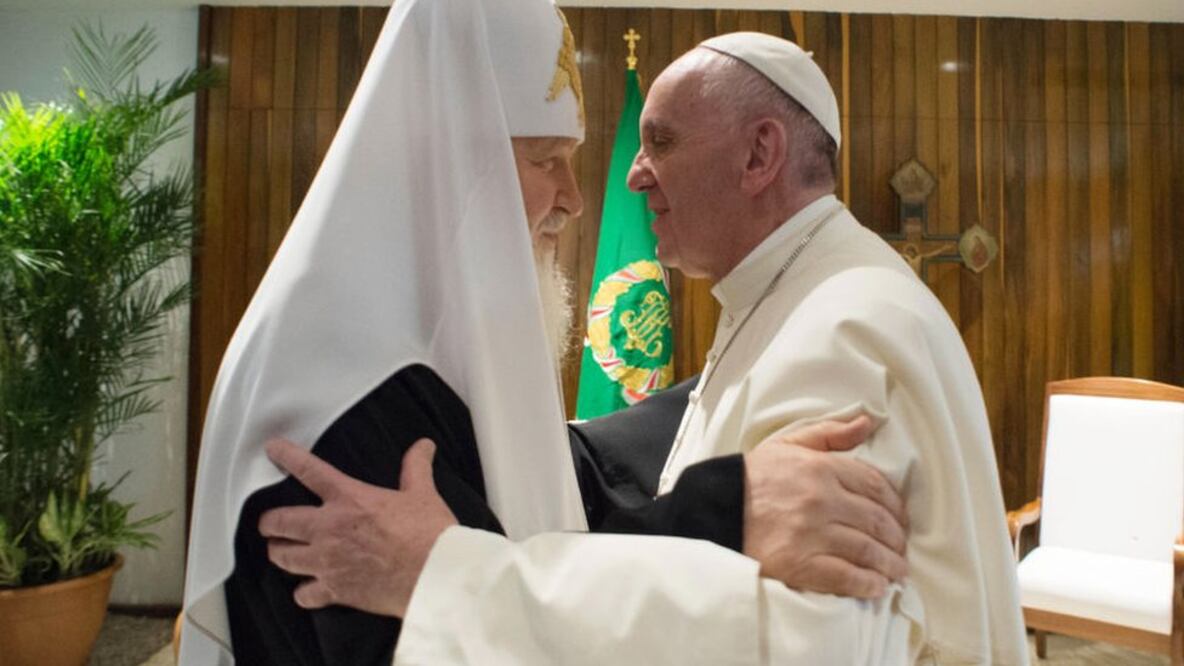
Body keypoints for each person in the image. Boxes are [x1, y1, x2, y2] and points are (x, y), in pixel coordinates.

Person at [262, 31, 1031, 665]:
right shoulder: (801, 292)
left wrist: (448, 579)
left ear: (759, 155)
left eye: (659, 142)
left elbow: (822, 644)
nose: (630, 177)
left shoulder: (843, 331)